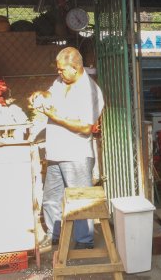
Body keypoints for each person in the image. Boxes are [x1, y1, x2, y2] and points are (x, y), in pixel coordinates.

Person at [29, 47, 104, 252]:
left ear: (75, 67)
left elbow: (85, 127)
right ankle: (57, 236)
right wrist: (41, 95)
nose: (59, 73)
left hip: (76, 153)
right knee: (51, 198)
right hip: (56, 152)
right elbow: (50, 97)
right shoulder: (60, 82)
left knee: (80, 200)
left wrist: (55, 116)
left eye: (62, 69)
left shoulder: (89, 90)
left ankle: (84, 241)